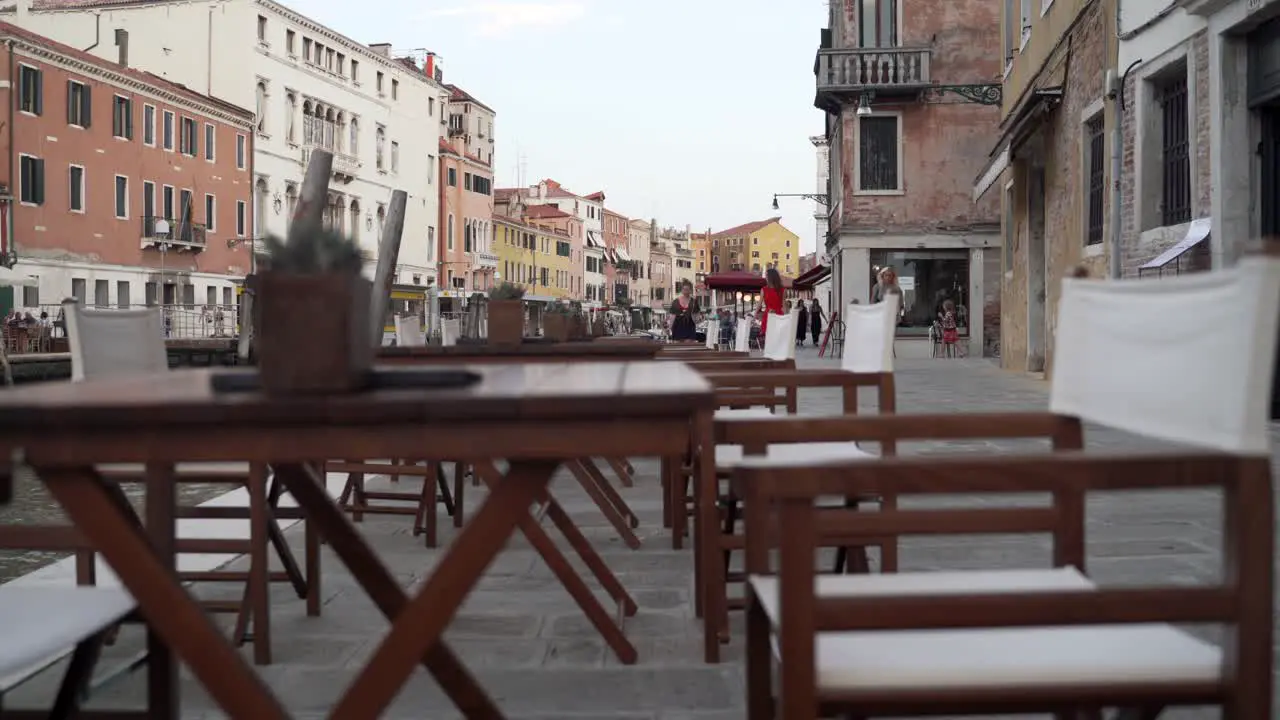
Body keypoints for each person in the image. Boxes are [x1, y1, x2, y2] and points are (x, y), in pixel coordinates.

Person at [759, 267, 785, 339]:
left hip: (778, 315)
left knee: (777, 337)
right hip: (768, 315)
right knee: (768, 338)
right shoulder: (764, 289)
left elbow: (784, 305)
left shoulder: (782, 290)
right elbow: (759, 304)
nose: (766, 277)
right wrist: (754, 316)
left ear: (771, 277)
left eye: (767, 275)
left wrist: (787, 318)